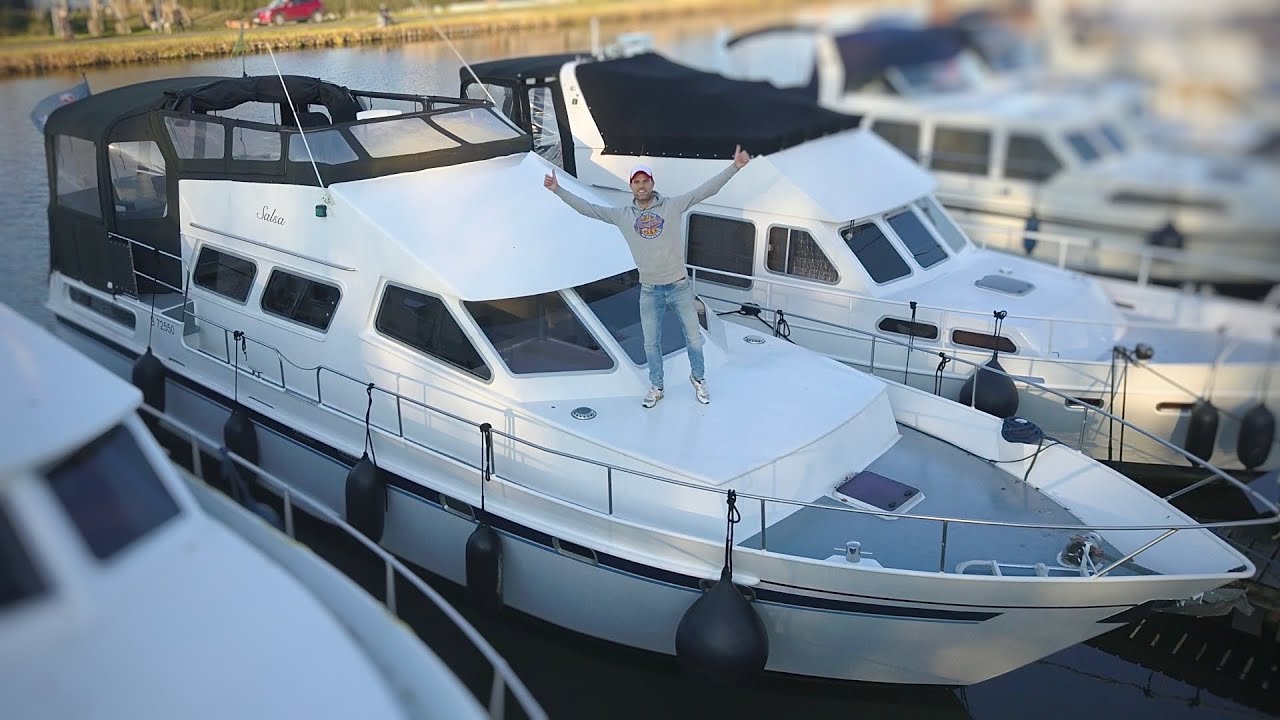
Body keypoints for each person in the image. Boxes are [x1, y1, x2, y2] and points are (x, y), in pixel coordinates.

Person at [544, 146, 751, 407]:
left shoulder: (673, 206)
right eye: (636, 182)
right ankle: (657, 385)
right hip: (650, 290)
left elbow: (705, 190)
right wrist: (557, 190)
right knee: (651, 344)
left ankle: (698, 380)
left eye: (645, 181)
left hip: (679, 287)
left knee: (694, 339)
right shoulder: (622, 215)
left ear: (652, 183)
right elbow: (587, 208)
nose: (641, 186)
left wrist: (735, 167)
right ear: (631, 186)